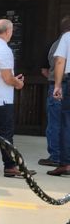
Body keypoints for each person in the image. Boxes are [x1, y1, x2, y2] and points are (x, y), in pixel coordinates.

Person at [0, 19, 34, 178]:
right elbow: (7, 78)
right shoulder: (4, 49)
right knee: (6, 134)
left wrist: (12, 79)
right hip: (1, 98)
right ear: (7, 31)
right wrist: (19, 83)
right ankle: (10, 166)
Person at [39, 16, 70, 167]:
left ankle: (56, 156)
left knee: (56, 122)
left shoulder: (55, 44)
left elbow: (46, 70)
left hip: (59, 85)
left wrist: (57, 82)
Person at [47, 19, 70, 176]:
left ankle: (65, 163)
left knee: (66, 122)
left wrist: (57, 85)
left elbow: (60, 61)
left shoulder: (67, 37)